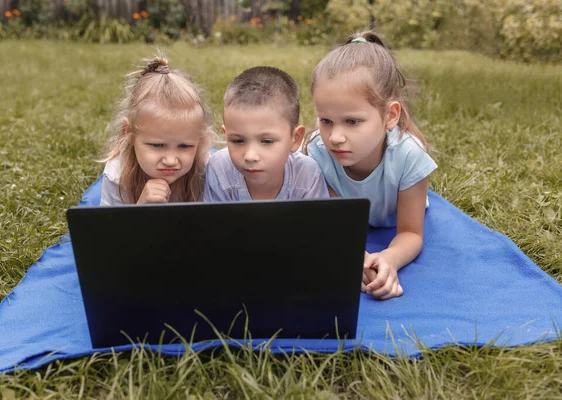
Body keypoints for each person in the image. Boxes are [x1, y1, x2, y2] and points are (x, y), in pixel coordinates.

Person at [303, 30, 438, 300]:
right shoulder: (316, 153)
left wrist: (389, 258)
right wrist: (357, 256)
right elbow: (331, 222)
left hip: (393, 220)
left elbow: (411, 232)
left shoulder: (409, 155)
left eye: (352, 121)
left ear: (390, 115)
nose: (335, 137)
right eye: (326, 120)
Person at [99, 53, 217, 205]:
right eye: (157, 145)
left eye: (184, 146)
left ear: (199, 140)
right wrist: (141, 210)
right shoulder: (117, 174)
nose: (170, 160)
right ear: (128, 132)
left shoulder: (205, 170)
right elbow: (110, 228)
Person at [204, 66, 329, 201]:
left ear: (295, 138)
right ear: (226, 134)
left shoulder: (307, 175)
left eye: (267, 141)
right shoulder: (219, 169)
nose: (250, 156)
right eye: (238, 141)